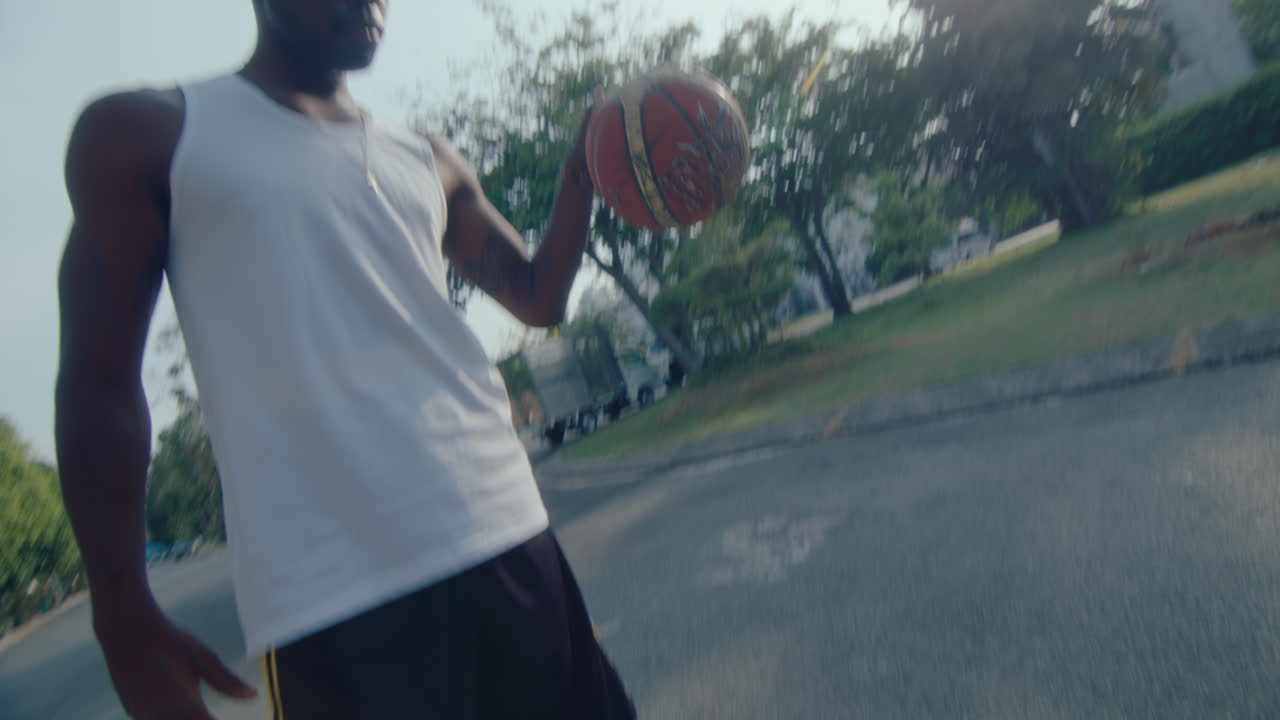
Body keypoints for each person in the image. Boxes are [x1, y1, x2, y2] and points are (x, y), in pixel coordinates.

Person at [53, 1, 635, 718]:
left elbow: (539, 298)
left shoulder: (428, 159)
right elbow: (99, 384)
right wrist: (119, 610)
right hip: (331, 596)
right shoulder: (150, 134)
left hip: (505, 528)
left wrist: (581, 171)